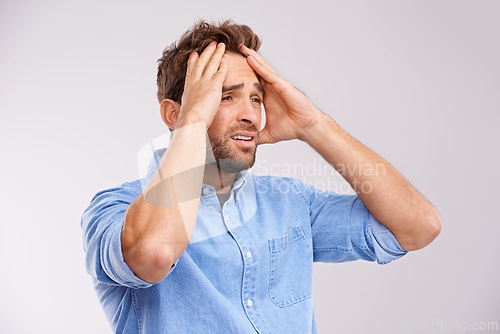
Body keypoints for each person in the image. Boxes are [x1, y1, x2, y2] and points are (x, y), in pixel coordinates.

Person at [81, 19, 441, 333]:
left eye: (256, 99)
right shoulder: (116, 208)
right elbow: (155, 253)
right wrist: (193, 121)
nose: (251, 116)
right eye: (225, 97)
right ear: (172, 113)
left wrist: (315, 125)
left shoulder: (291, 201)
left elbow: (418, 226)